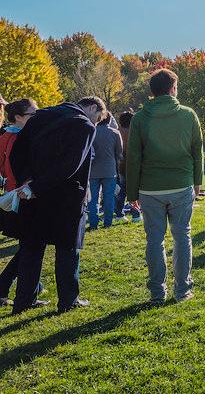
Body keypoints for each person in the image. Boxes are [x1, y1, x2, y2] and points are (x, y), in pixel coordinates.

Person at [10, 96, 106, 314]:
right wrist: (37, 186)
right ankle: (68, 299)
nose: (96, 123)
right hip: (66, 197)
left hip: (33, 193)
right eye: (97, 118)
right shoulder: (84, 126)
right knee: (68, 250)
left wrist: (26, 181)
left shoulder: (40, 116)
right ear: (92, 108)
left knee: (31, 249)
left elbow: (17, 152)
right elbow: (71, 165)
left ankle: (24, 300)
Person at [126, 69, 204, 304]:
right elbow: (197, 151)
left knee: (154, 240)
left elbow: (133, 157)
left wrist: (132, 191)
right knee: (182, 236)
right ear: (172, 89)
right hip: (181, 184)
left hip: (150, 188)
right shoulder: (188, 115)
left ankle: (158, 293)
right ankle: (182, 290)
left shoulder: (140, 118)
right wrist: (197, 182)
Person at [0, 99, 39, 307]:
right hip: (23, 195)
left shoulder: (5, 136)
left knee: (29, 245)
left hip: (12, 195)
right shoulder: (19, 138)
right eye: (33, 114)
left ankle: (31, 286)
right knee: (31, 245)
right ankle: (9, 286)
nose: (37, 117)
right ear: (18, 117)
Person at [88, 113, 122, 230]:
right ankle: (108, 222)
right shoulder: (115, 133)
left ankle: (93, 223)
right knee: (109, 198)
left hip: (93, 170)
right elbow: (119, 152)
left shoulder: (91, 131)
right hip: (109, 170)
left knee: (93, 199)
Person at [115, 110, 140, 222]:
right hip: (134, 165)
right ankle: (136, 213)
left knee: (122, 190)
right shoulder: (135, 132)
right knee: (134, 190)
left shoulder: (117, 132)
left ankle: (119, 213)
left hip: (120, 165)